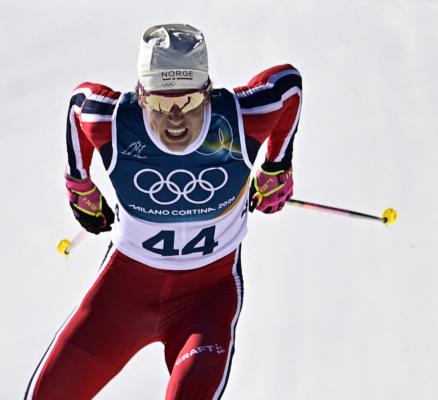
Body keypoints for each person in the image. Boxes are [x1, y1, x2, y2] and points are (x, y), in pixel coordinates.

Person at [25, 24, 302, 400]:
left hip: (206, 300)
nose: (174, 118)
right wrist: (79, 183)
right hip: (122, 296)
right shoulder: (114, 124)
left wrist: (276, 165)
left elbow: (288, 84)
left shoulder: (239, 120)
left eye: (188, 101)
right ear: (140, 96)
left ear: (208, 92)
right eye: (159, 103)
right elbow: (79, 103)